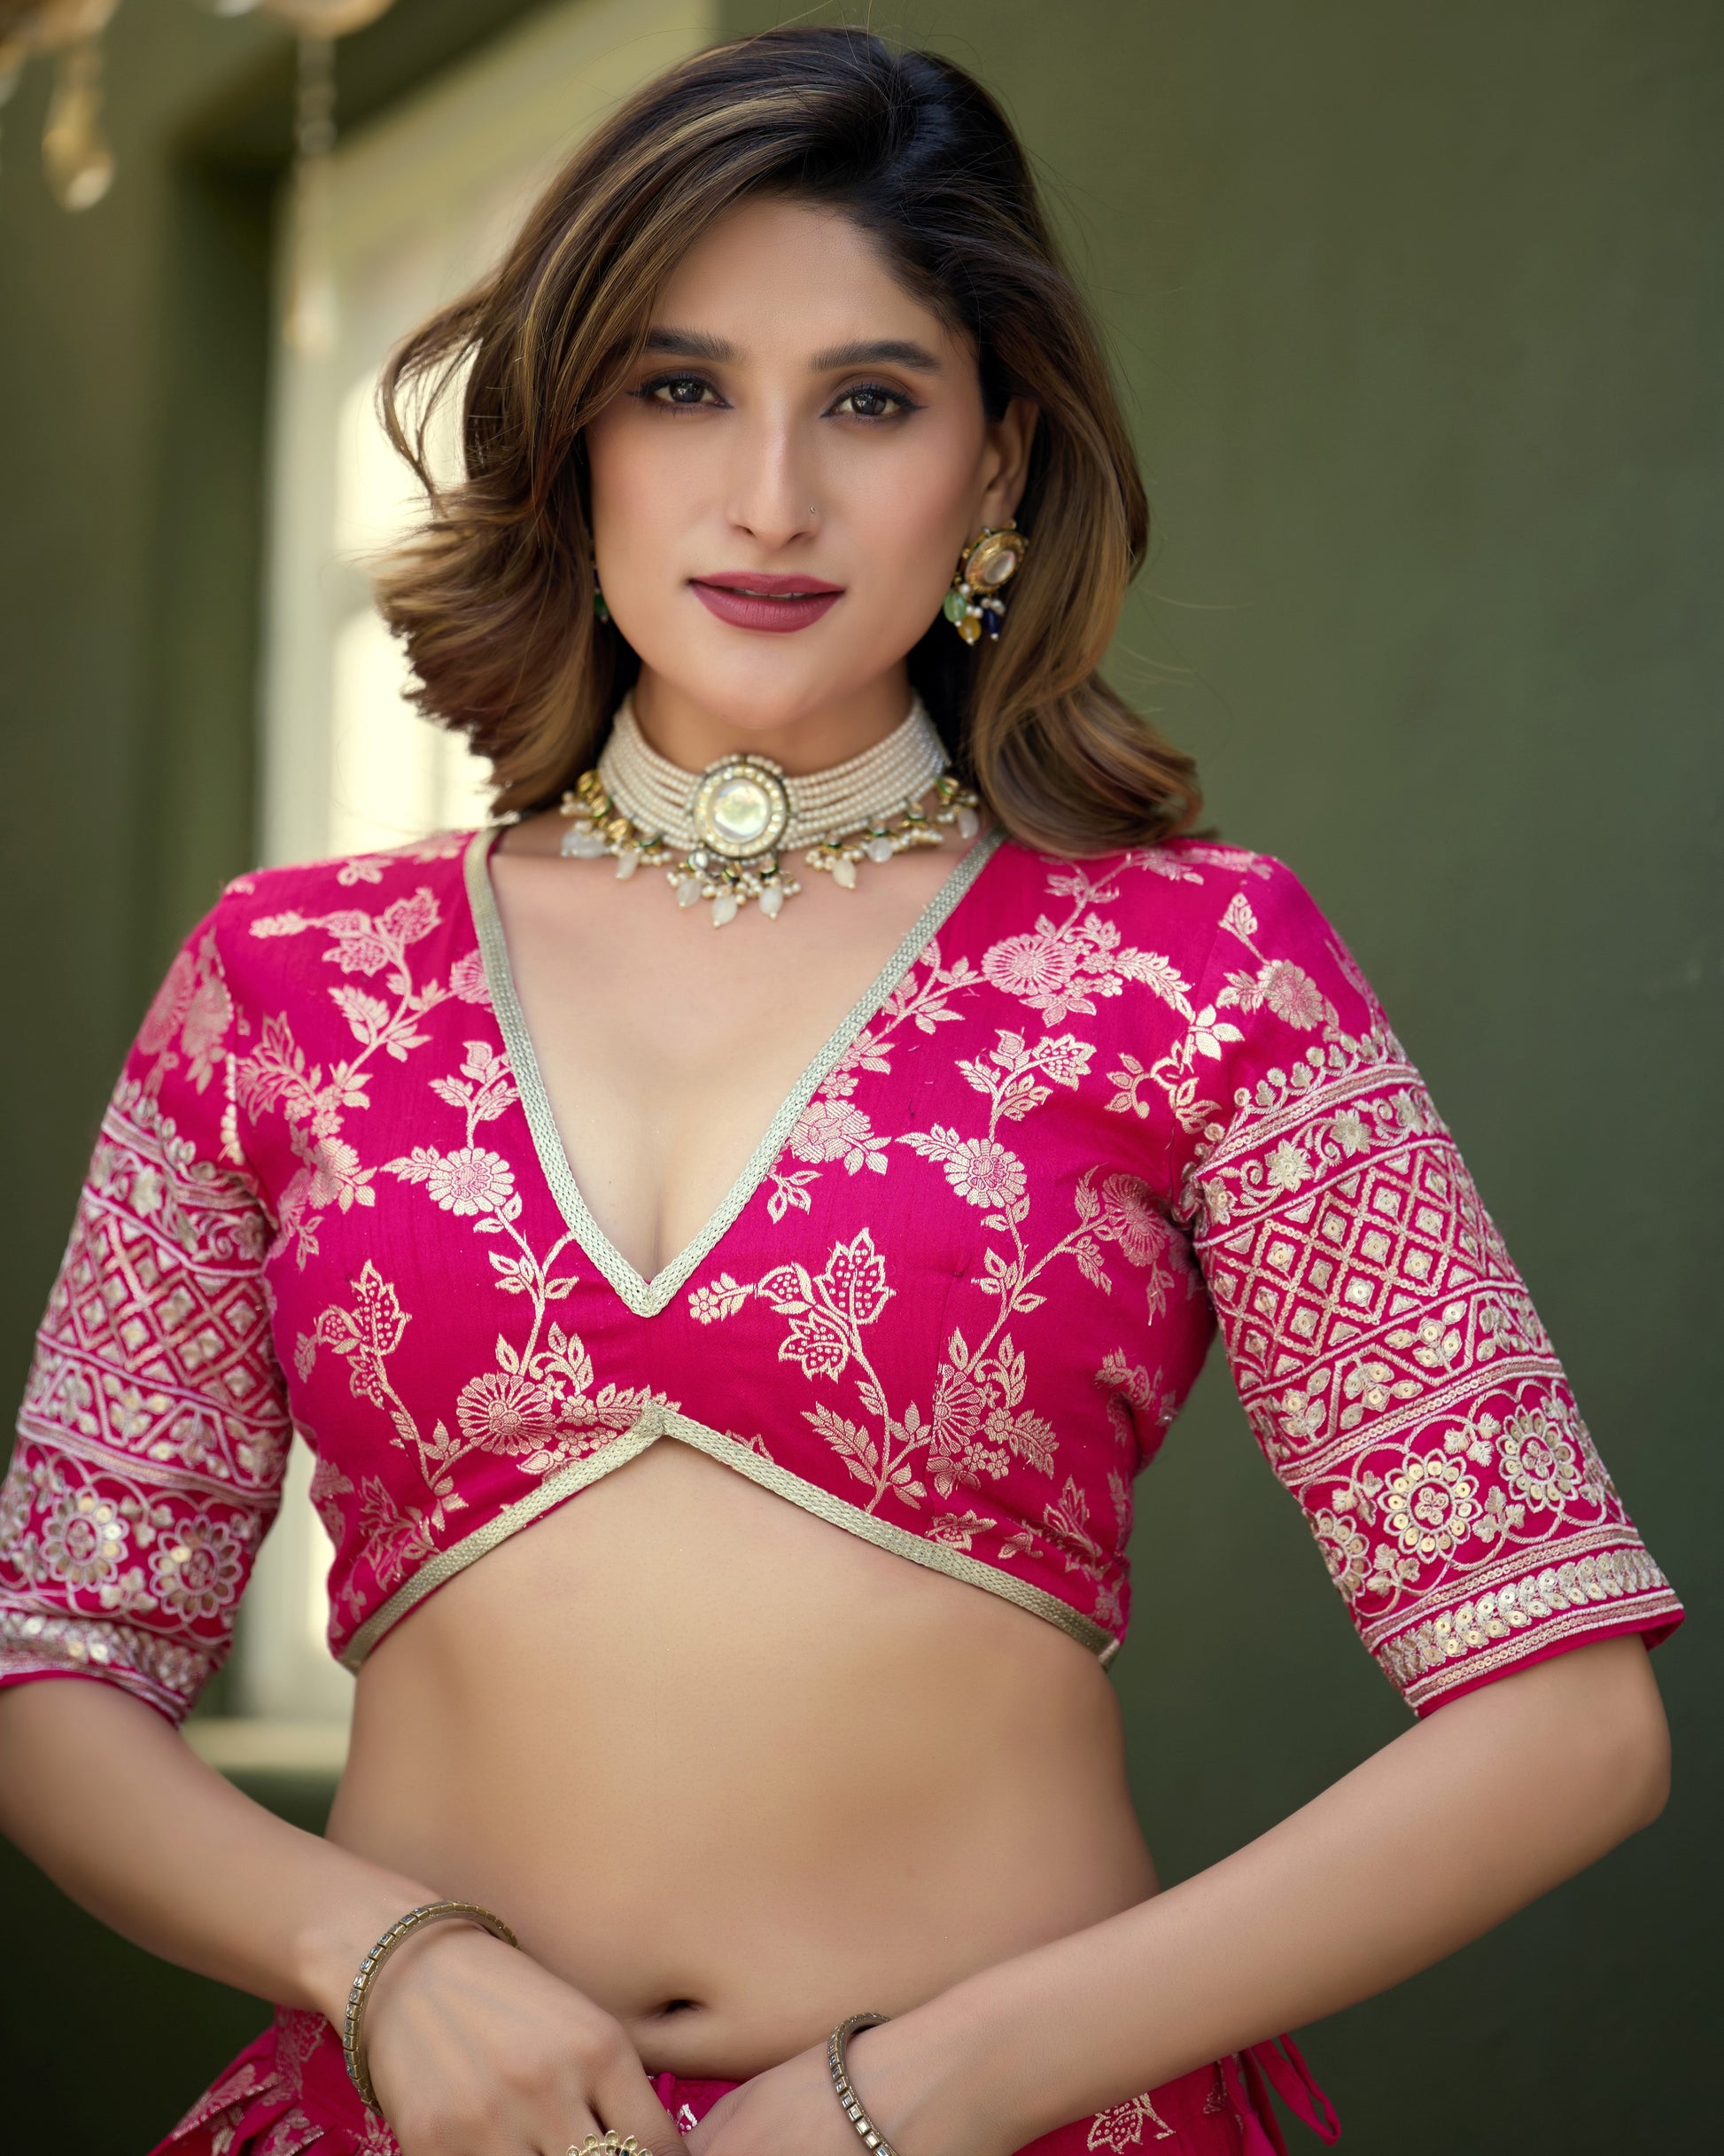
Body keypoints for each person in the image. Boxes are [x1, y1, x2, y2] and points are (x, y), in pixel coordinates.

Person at [0, 27, 1681, 2156]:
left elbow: (1565, 1719)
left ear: (992, 465)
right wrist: (384, 1955)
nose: (770, 493)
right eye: (681, 387)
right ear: (570, 436)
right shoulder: (285, 981)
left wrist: (933, 2082)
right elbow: (59, 1683)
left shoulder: (1194, 965)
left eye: (870, 400)